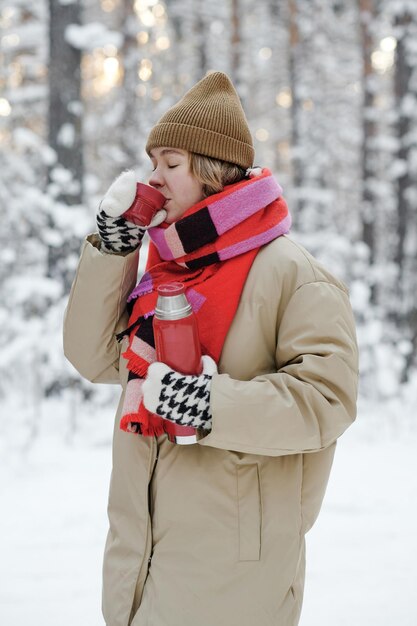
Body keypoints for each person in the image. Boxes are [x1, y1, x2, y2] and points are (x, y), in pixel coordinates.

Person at [63, 71, 358, 626]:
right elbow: (93, 354)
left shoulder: (294, 275)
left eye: (171, 164)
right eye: (153, 164)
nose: (155, 179)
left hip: (234, 576)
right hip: (144, 565)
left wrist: (208, 405)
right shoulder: (165, 275)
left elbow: (326, 401)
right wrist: (115, 248)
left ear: (214, 172)